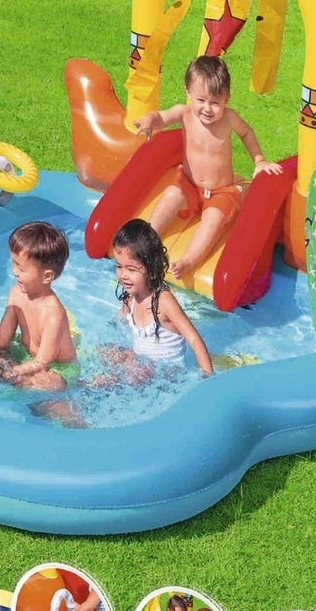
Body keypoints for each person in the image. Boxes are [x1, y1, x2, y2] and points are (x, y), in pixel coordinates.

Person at [133, 55, 282, 279]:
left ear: (227, 98)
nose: (207, 109)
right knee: (171, 195)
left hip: (222, 191)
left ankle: (188, 260)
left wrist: (259, 160)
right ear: (188, 92)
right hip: (188, 183)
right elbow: (162, 117)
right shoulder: (184, 113)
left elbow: (246, 133)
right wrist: (149, 120)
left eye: (215, 103)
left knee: (213, 219)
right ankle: (146, 239)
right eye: (201, 100)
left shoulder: (229, 118)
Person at [0, 221, 79, 390]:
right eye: (13, 263)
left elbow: (42, 361)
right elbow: (2, 338)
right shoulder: (16, 293)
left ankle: (16, 378)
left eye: (21, 268)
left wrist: (14, 371)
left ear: (47, 276)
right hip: (24, 353)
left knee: (50, 382)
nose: (14, 271)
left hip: (55, 367)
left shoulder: (54, 313)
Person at [96, 219, 212, 380]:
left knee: (131, 373)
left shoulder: (163, 301)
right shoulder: (130, 297)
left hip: (166, 372)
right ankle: (94, 384)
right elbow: (117, 322)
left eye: (131, 269)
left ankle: (99, 385)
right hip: (142, 362)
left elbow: (194, 339)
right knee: (105, 351)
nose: (123, 275)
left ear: (151, 271)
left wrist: (207, 377)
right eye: (119, 266)